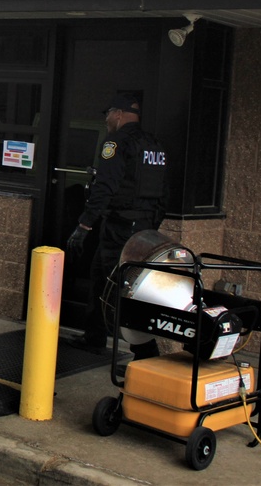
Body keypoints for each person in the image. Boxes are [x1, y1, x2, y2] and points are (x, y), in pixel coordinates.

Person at [66, 94, 168, 360]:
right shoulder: (153, 143)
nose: (106, 119)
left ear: (119, 114)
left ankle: (146, 353)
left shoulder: (116, 142)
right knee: (100, 276)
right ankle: (94, 335)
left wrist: (84, 224)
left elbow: (106, 187)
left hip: (121, 227)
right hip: (144, 227)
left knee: (122, 287)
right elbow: (162, 190)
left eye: (108, 114)